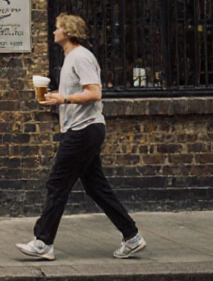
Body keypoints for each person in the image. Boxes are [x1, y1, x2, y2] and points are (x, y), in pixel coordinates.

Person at [16, 13, 146, 262]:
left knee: (57, 183)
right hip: (81, 129)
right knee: (96, 187)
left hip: (84, 130)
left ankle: (43, 242)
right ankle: (132, 237)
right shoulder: (70, 59)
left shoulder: (80, 57)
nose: (54, 32)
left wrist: (63, 99)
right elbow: (76, 95)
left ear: (67, 31)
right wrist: (55, 98)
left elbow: (95, 92)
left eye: (57, 28)